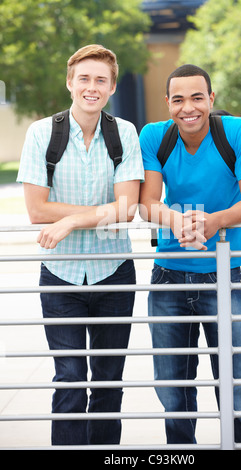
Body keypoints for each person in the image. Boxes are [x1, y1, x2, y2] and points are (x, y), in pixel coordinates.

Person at [17, 44, 144, 446]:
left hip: (114, 272)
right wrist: (95, 212)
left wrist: (71, 218)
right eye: (84, 78)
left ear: (111, 87)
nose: (92, 87)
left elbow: (127, 209)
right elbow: (37, 211)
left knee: (108, 381)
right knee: (69, 380)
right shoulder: (41, 133)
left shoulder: (124, 133)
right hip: (60, 274)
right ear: (70, 82)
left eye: (100, 80)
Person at [139, 64, 241, 444]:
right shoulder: (154, 137)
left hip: (224, 273)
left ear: (211, 99)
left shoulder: (238, 132)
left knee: (237, 382)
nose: (188, 108)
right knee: (172, 386)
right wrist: (177, 221)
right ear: (167, 103)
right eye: (178, 99)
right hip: (168, 275)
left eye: (197, 97)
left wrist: (215, 221)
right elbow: (147, 203)